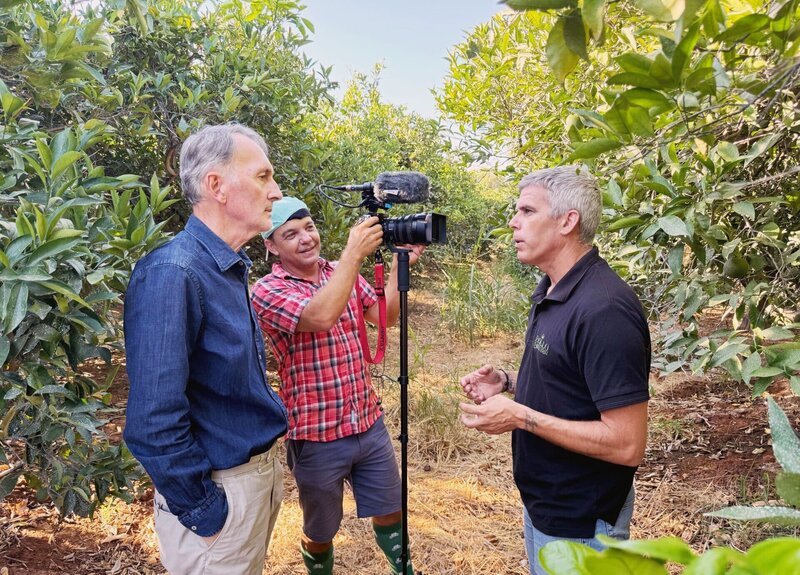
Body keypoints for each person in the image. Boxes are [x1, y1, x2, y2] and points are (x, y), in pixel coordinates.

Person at [459, 166, 650, 575]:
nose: (514, 221)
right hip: (545, 503)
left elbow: (626, 443)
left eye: (527, 210)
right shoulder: (553, 289)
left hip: (582, 521)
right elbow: (572, 380)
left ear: (567, 221)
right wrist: (508, 383)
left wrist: (520, 416)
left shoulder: (604, 309)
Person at [123, 123, 289, 575]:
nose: (275, 192)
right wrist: (204, 512)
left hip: (248, 484)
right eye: (262, 176)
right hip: (219, 495)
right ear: (216, 185)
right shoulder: (175, 272)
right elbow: (152, 421)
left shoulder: (226, 267)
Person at [251, 197, 423, 575]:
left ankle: (404, 568)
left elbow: (385, 316)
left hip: (366, 420)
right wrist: (353, 255)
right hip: (316, 433)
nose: (306, 238)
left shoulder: (338, 271)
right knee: (322, 529)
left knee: (391, 507)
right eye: (290, 234)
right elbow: (320, 315)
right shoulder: (267, 290)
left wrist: (399, 267)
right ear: (271, 245)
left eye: (309, 227)